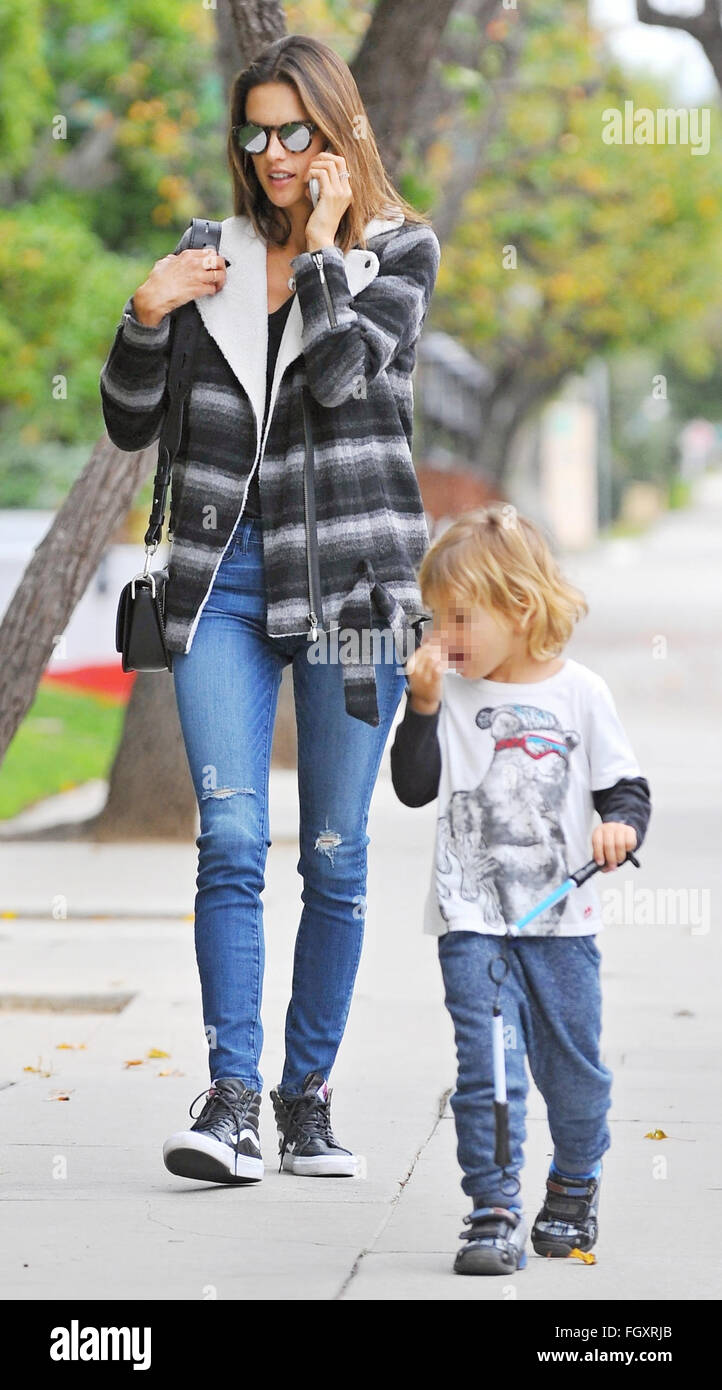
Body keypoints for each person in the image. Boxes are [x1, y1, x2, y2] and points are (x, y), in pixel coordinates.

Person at [99, 34, 440, 1184]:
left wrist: (333, 251)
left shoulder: (401, 249)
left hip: (349, 589)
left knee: (335, 856)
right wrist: (146, 314)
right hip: (223, 581)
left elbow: (348, 378)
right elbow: (132, 422)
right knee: (232, 841)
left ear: (338, 132)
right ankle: (232, 1097)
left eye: (297, 130)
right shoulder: (213, 254)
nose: (275, 152)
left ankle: (307, 1097)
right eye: (256, 132)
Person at [389, 504, 652, 1274]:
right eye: (434, 617)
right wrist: (424, 708)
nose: (441, 635)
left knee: (573, 1074)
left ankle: (574, 1179)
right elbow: (412, 788)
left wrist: (620, 830)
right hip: (472, 921)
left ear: (520, 608)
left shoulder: (582, 694)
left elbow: (626, 789)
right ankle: (492, 1208)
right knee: (489, 1070)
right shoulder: (449, 695)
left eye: (459, 617)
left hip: (563, 925)